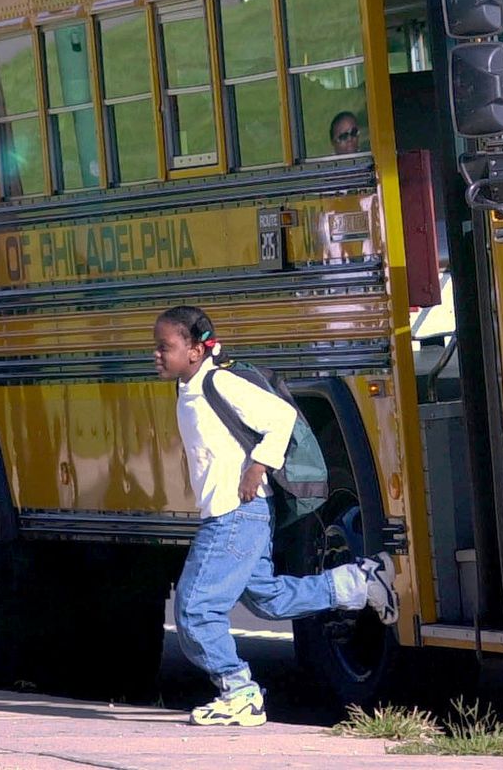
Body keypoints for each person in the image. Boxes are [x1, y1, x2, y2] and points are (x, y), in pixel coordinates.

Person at [154, 305, 398, 727]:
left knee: (195, 609)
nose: (156, 355)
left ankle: (239, 690)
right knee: (268, 598)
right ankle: (361, 582)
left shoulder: (220, 381)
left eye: (165, 347)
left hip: (234, 515)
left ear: (195, 350)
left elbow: (281, 416)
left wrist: (258, 466)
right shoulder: (190, 386)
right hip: (238, 513)